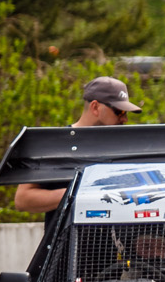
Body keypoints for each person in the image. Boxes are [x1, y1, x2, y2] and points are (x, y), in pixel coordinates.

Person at [10, 76, 140, 214]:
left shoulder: (126, 148)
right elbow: (22, 199)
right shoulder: (55, 145)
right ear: (95, 107)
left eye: (126, 113)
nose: (125, 119)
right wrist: (77, 194)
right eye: (119, 112)